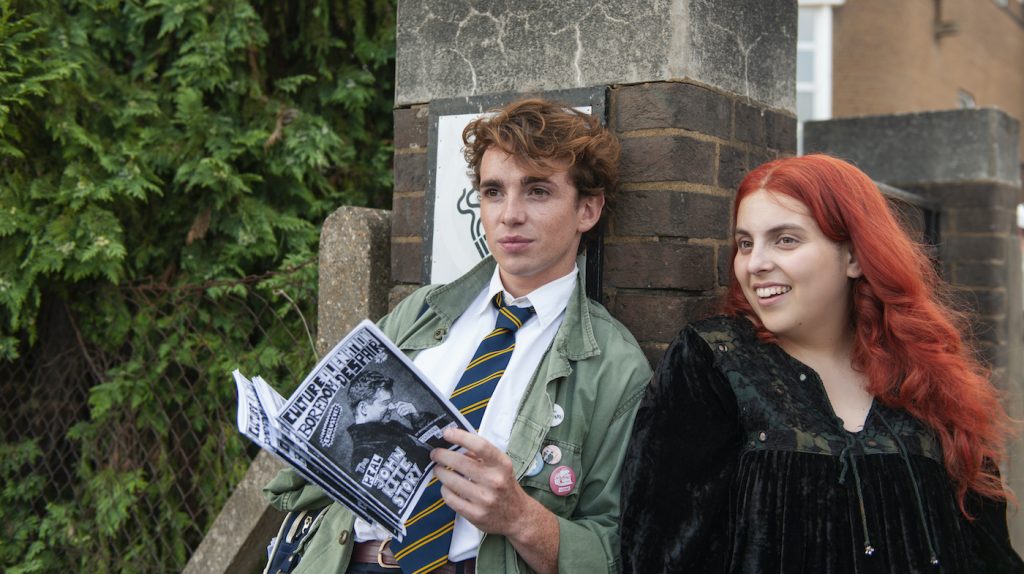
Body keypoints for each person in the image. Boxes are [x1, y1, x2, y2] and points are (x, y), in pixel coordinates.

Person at [264, 98, 652, 574]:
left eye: (536, 191)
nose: (509, 214)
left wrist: (520, 516)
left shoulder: (616, 367)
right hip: (347, 559)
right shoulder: (421, 312)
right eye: (493, 191)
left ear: (587, 209)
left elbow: (618, 551)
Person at [620, 154, 1023, 573]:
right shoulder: (716, 363)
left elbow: (987, 551)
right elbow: (658, 551)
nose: (755, 263)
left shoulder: (923, 375)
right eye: (745, 243)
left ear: (854, 256)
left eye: (785, 240)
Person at [345, 371, 436, 484]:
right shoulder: (362, 456)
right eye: (385, 403)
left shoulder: (392, 426)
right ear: (363, 408)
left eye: (391, 402)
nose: (392, 407)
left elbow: (437, 442)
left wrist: (417, 418)